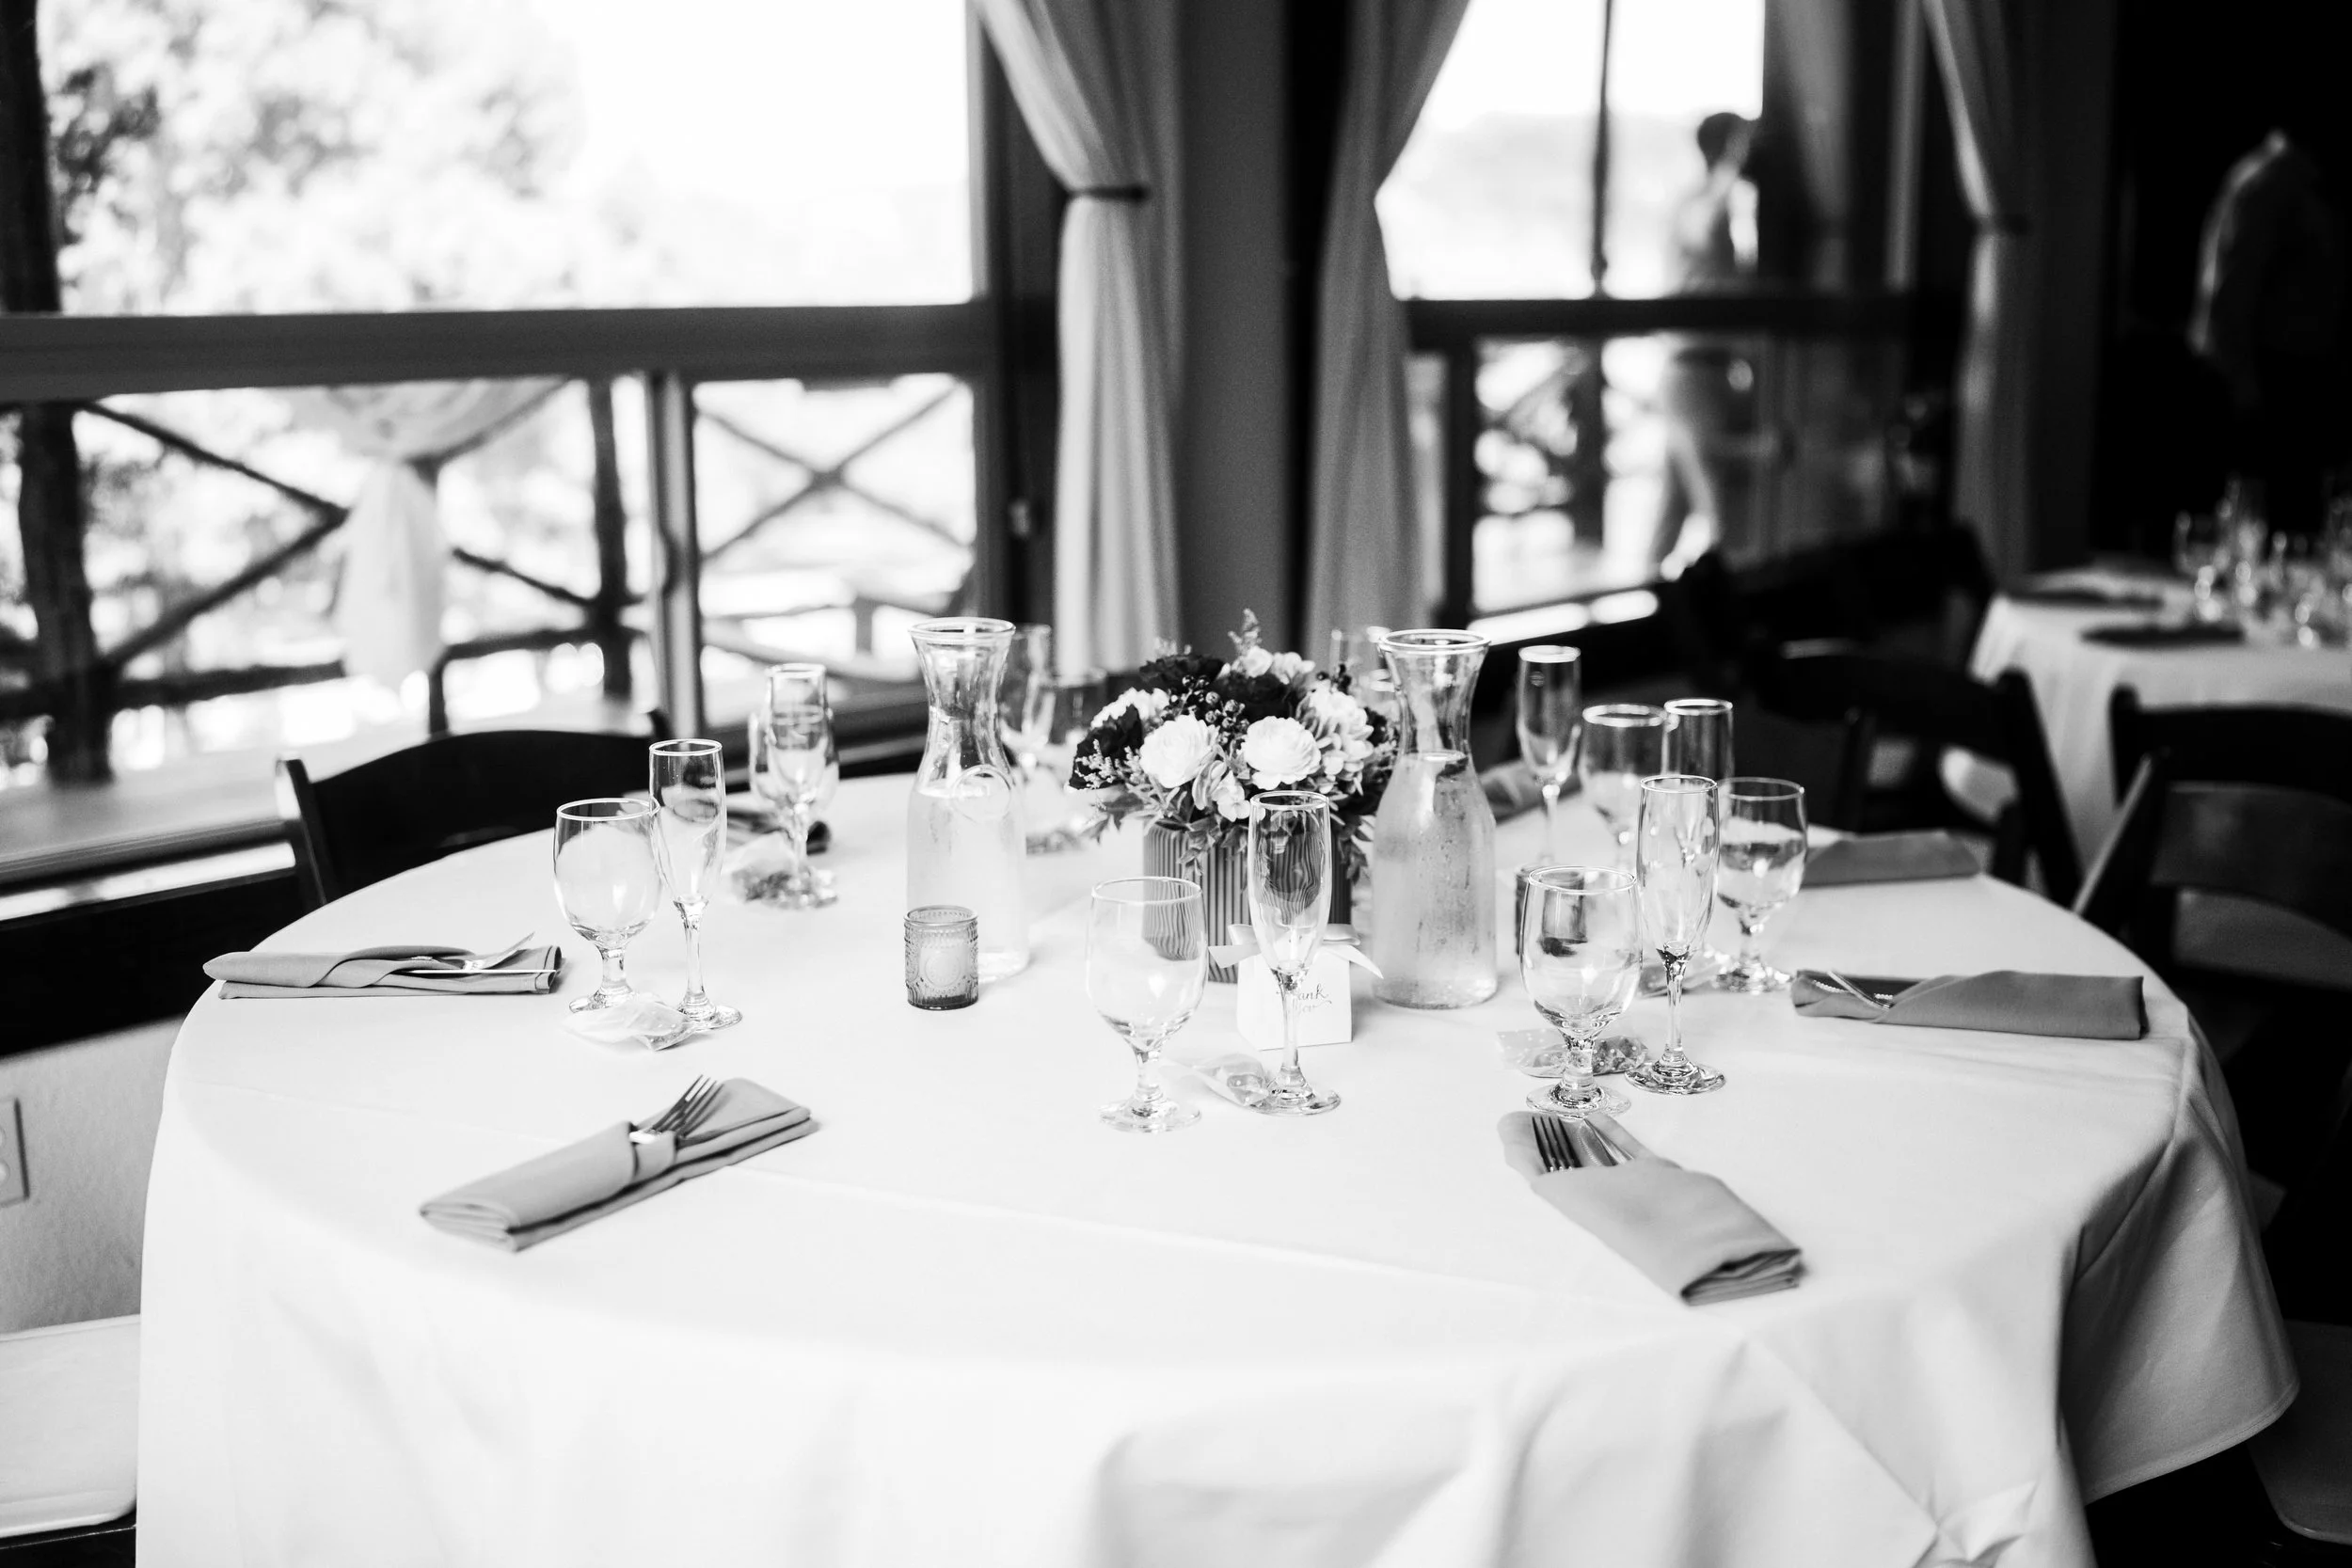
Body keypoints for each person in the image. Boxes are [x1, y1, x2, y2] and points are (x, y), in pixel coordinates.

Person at [2189, 127, 2349, 537]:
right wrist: (2245, 390)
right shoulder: (2271, 182)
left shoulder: (2300, 182)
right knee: (2261, 521)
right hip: (2269, 380)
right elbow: (2229, 293)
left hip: (2292, 379)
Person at [1651, 112, 1768, 570]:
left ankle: (1649, 611)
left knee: (1671, 513)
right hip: (1691, 370)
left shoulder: (1706, 205)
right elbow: (1704, 227)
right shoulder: (1695, 205)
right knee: (1719, 513)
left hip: (1705, 370)